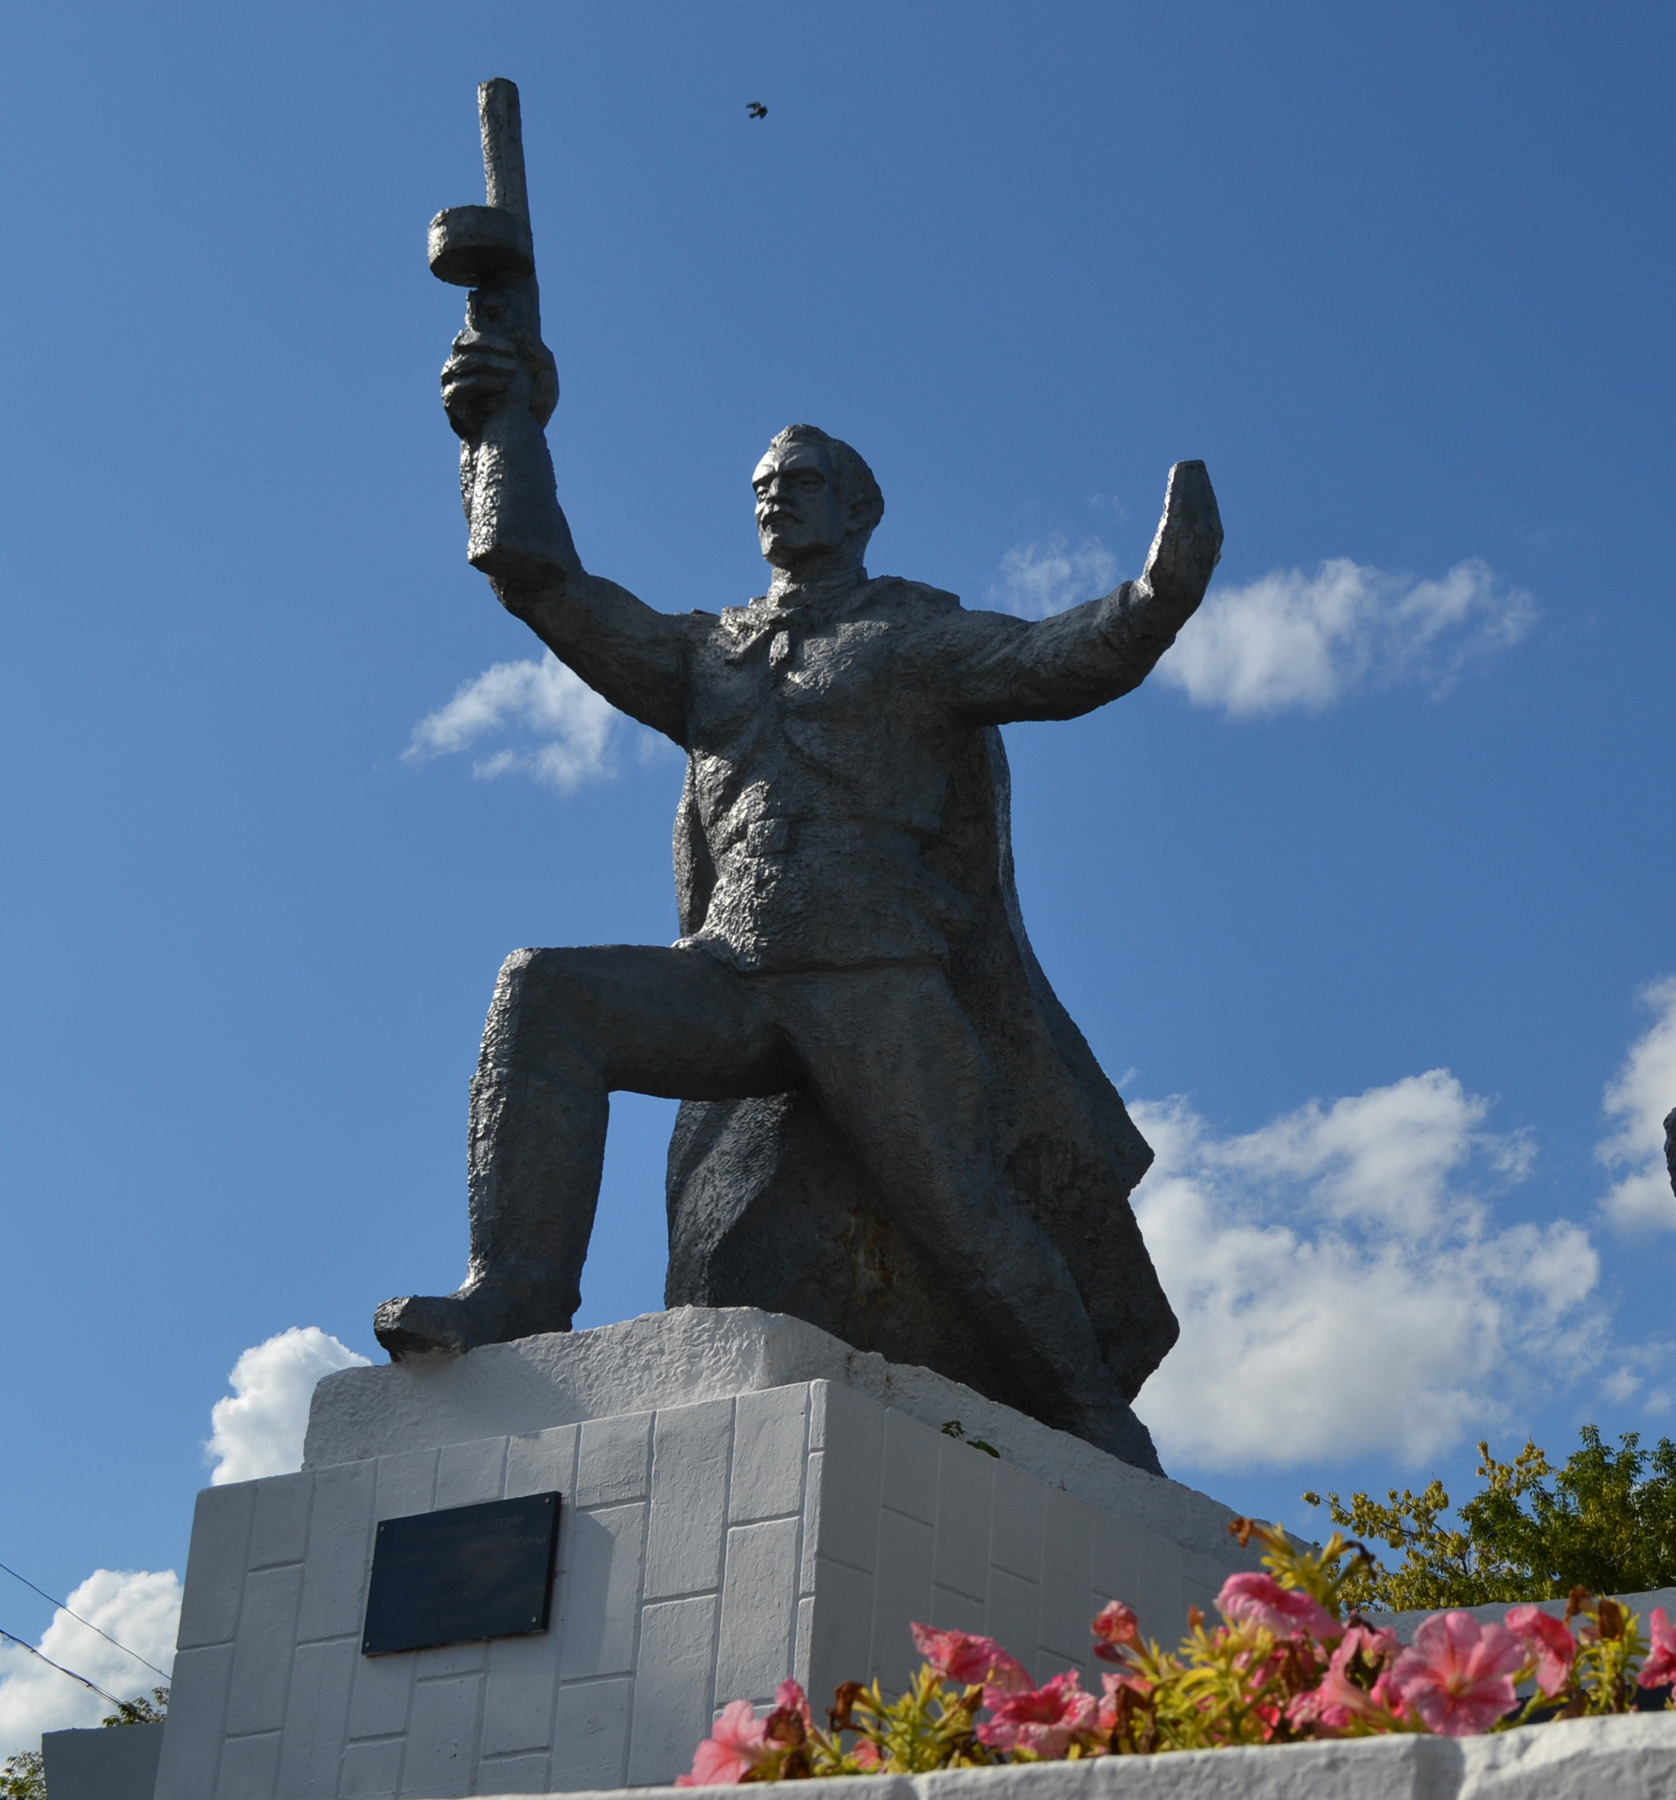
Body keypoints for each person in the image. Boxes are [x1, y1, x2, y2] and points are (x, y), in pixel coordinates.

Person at [374, 327, 1224, 1473]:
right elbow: (545, 581)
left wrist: (1155, 595)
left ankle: (1090, 1410)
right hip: (732, 976)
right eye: (765, 487)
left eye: (804, 482)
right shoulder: (708, 653)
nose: (779, 500)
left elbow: (1053, 660)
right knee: (547, 991)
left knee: (962, 1212)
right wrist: (501, 429)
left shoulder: (911, 634)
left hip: (872, 972)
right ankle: (516, 1293)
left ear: (858, 509)